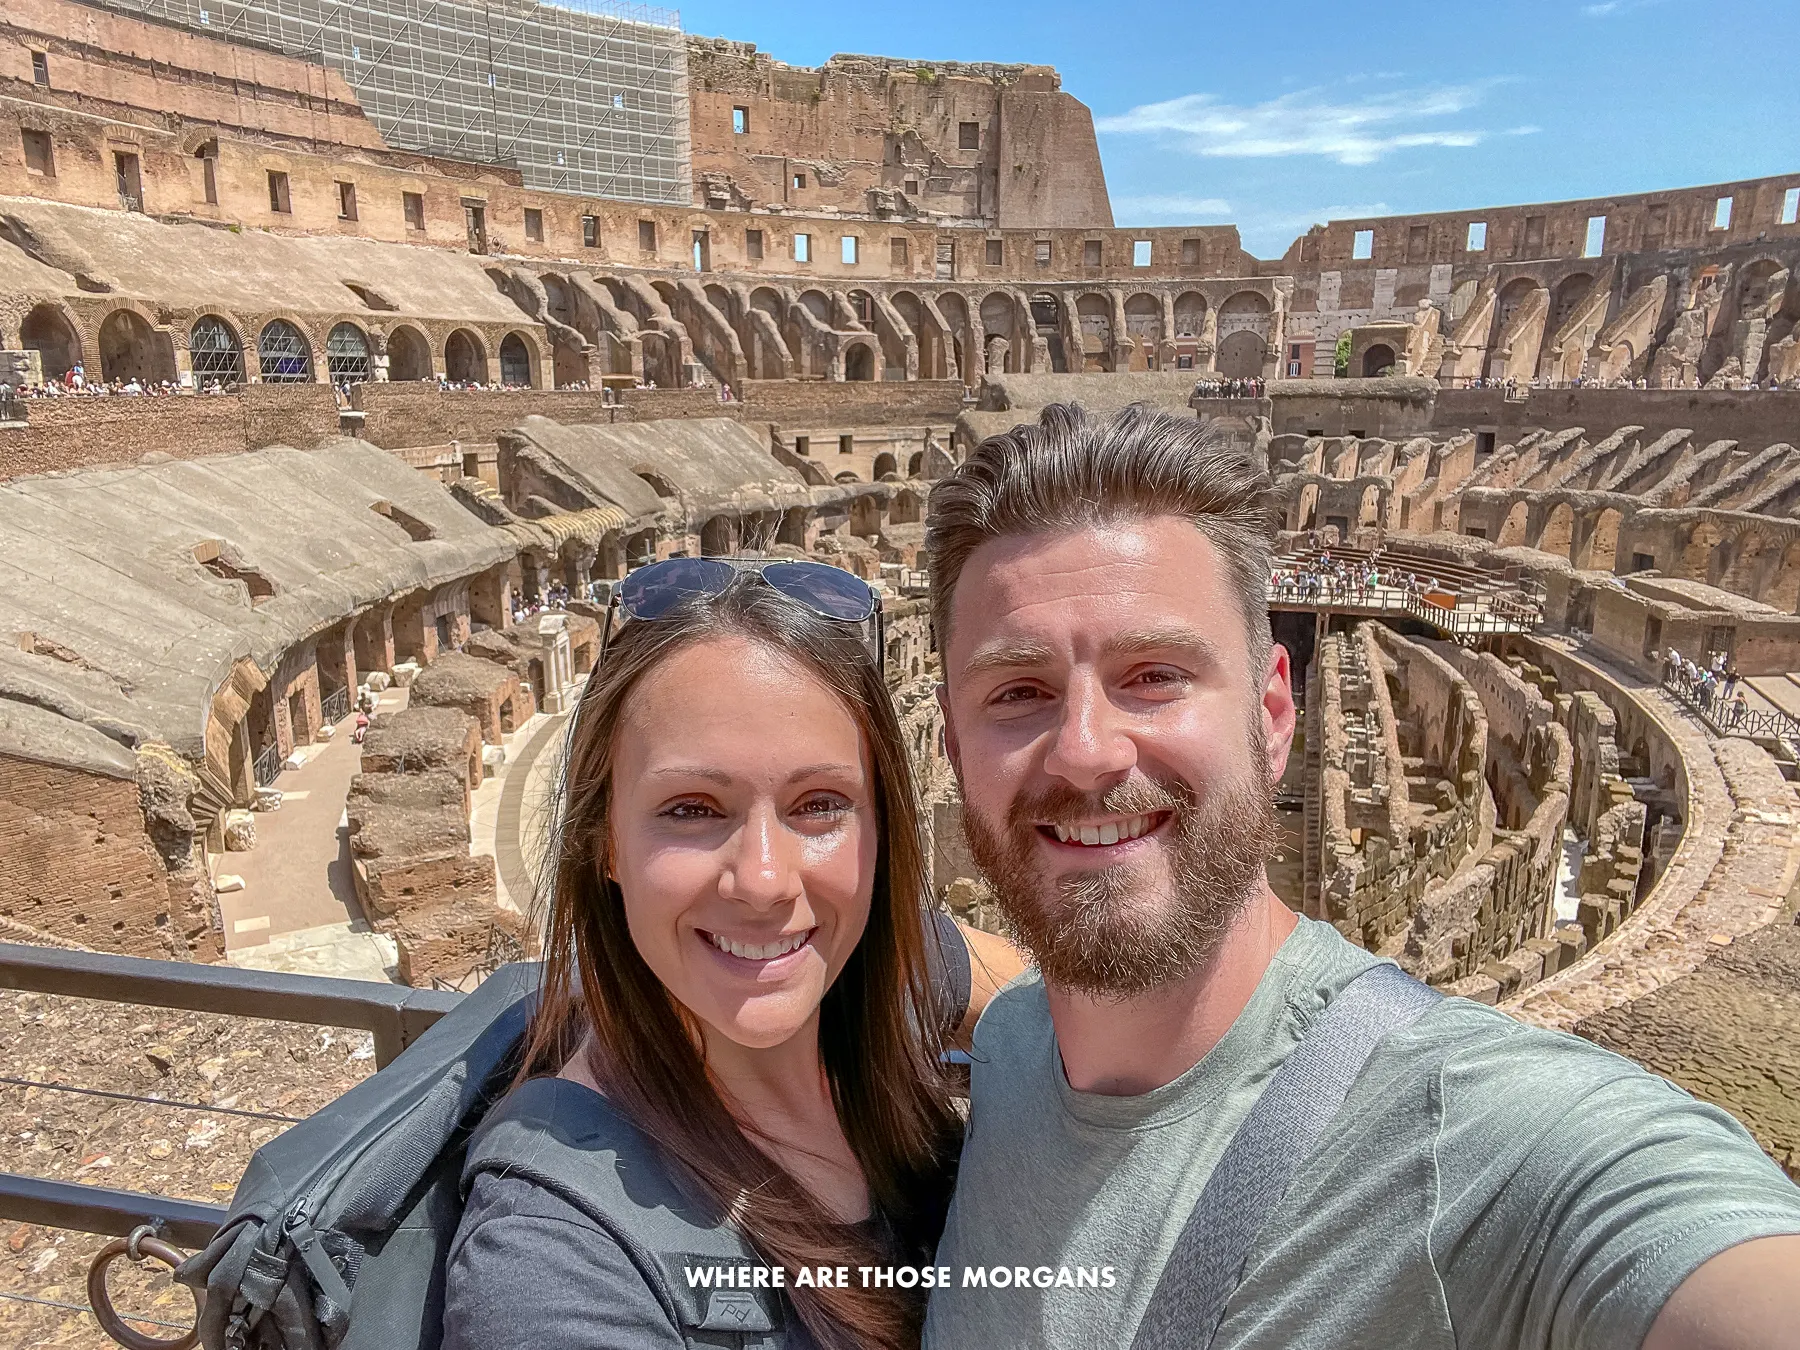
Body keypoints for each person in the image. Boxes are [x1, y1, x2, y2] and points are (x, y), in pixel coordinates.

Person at [920, 403, 1800, 1350]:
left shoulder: (1483, 1138)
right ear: (951, 744)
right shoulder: (1008, 1050)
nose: (1086, 752)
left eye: (1155, 676)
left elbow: (1710, 1263)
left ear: (1272, 713)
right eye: (1019, 691)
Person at [443, 559, 1020, 1350]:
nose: (765, 881)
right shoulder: (552, 1261)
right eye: (691, 809)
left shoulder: (887, 974)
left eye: (820, 806)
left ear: (881, 828)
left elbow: (1088, 1013)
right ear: (604, 841)